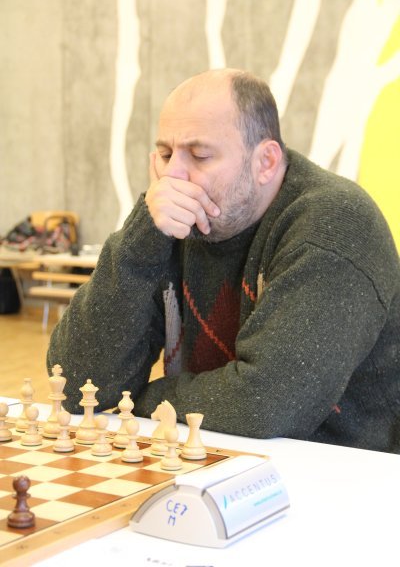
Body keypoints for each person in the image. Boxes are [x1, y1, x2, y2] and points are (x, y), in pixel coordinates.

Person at [47, 68, 400, 453]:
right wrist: (140, 239)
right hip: (215, 457)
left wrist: (144, 401)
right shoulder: (170, 223)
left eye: (199, 155)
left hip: (345, 471)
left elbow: (266, 405)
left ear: (265, 162)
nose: (173, 176)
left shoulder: (335, 224)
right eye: (165, 154)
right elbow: (76, 385)